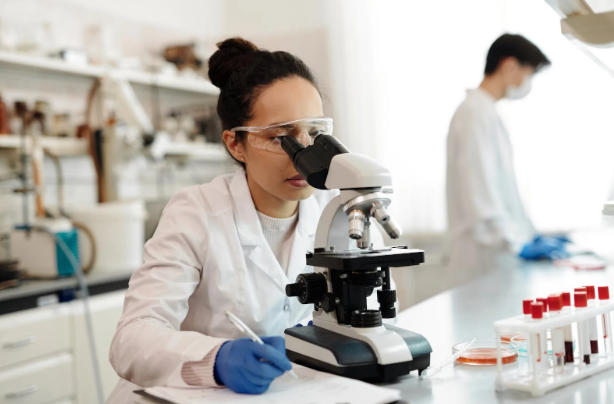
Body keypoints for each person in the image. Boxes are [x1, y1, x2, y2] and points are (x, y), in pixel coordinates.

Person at [106, 37, 385, 403]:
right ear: (235, 144)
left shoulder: (336, 212)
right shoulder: (196, 212)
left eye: (314, 133)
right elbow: (131, 340)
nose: (303, 154)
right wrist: (216, 360)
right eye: (279, 137)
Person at [446, 33, 567, 284]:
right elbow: (479, 194)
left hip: (496, 257)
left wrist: (529, 235)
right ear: (510, 65)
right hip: (480, 261)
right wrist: (514, 243)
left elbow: (505, 193)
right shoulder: (474, 114)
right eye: (529, 73)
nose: (528, 82)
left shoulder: (486, 112)